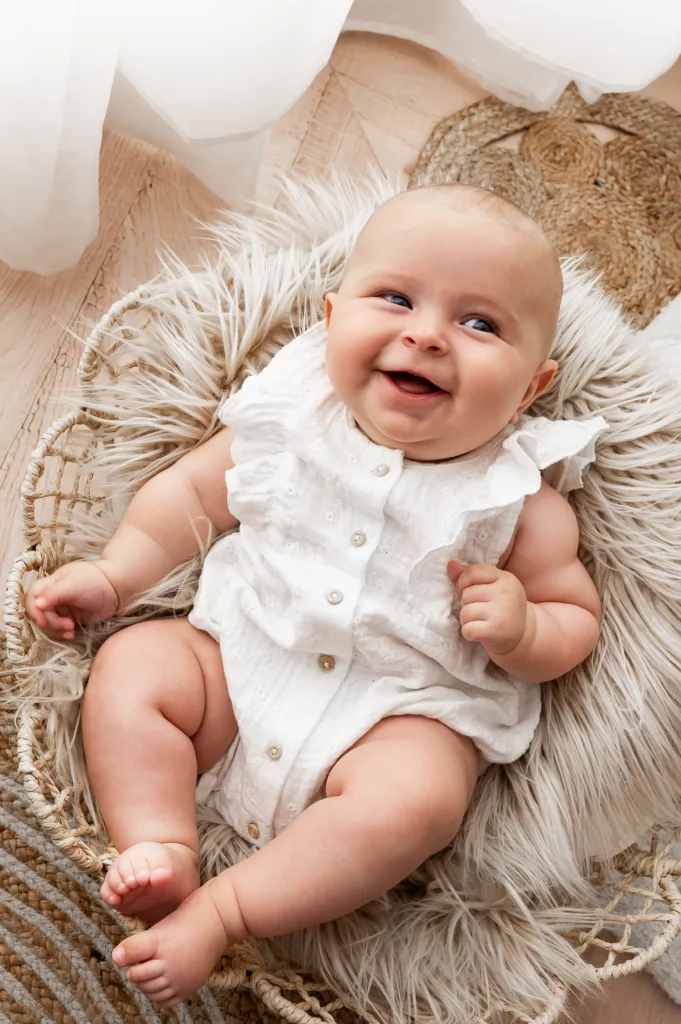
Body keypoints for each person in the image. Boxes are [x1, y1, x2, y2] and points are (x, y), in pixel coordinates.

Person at [25, 183, 605, 1007]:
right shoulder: (287, 417)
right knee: (131, 666)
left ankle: (225, 910)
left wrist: (521, 627)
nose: (426, 334)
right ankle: (159, 842)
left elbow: (573, 618)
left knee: (420, 799)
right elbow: (188, 497)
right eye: (395, 298)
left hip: (393, 717)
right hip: (236, 665)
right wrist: (116, 575)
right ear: (331, 319)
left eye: (480, 324)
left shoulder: (520, 499)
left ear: (529, 389)